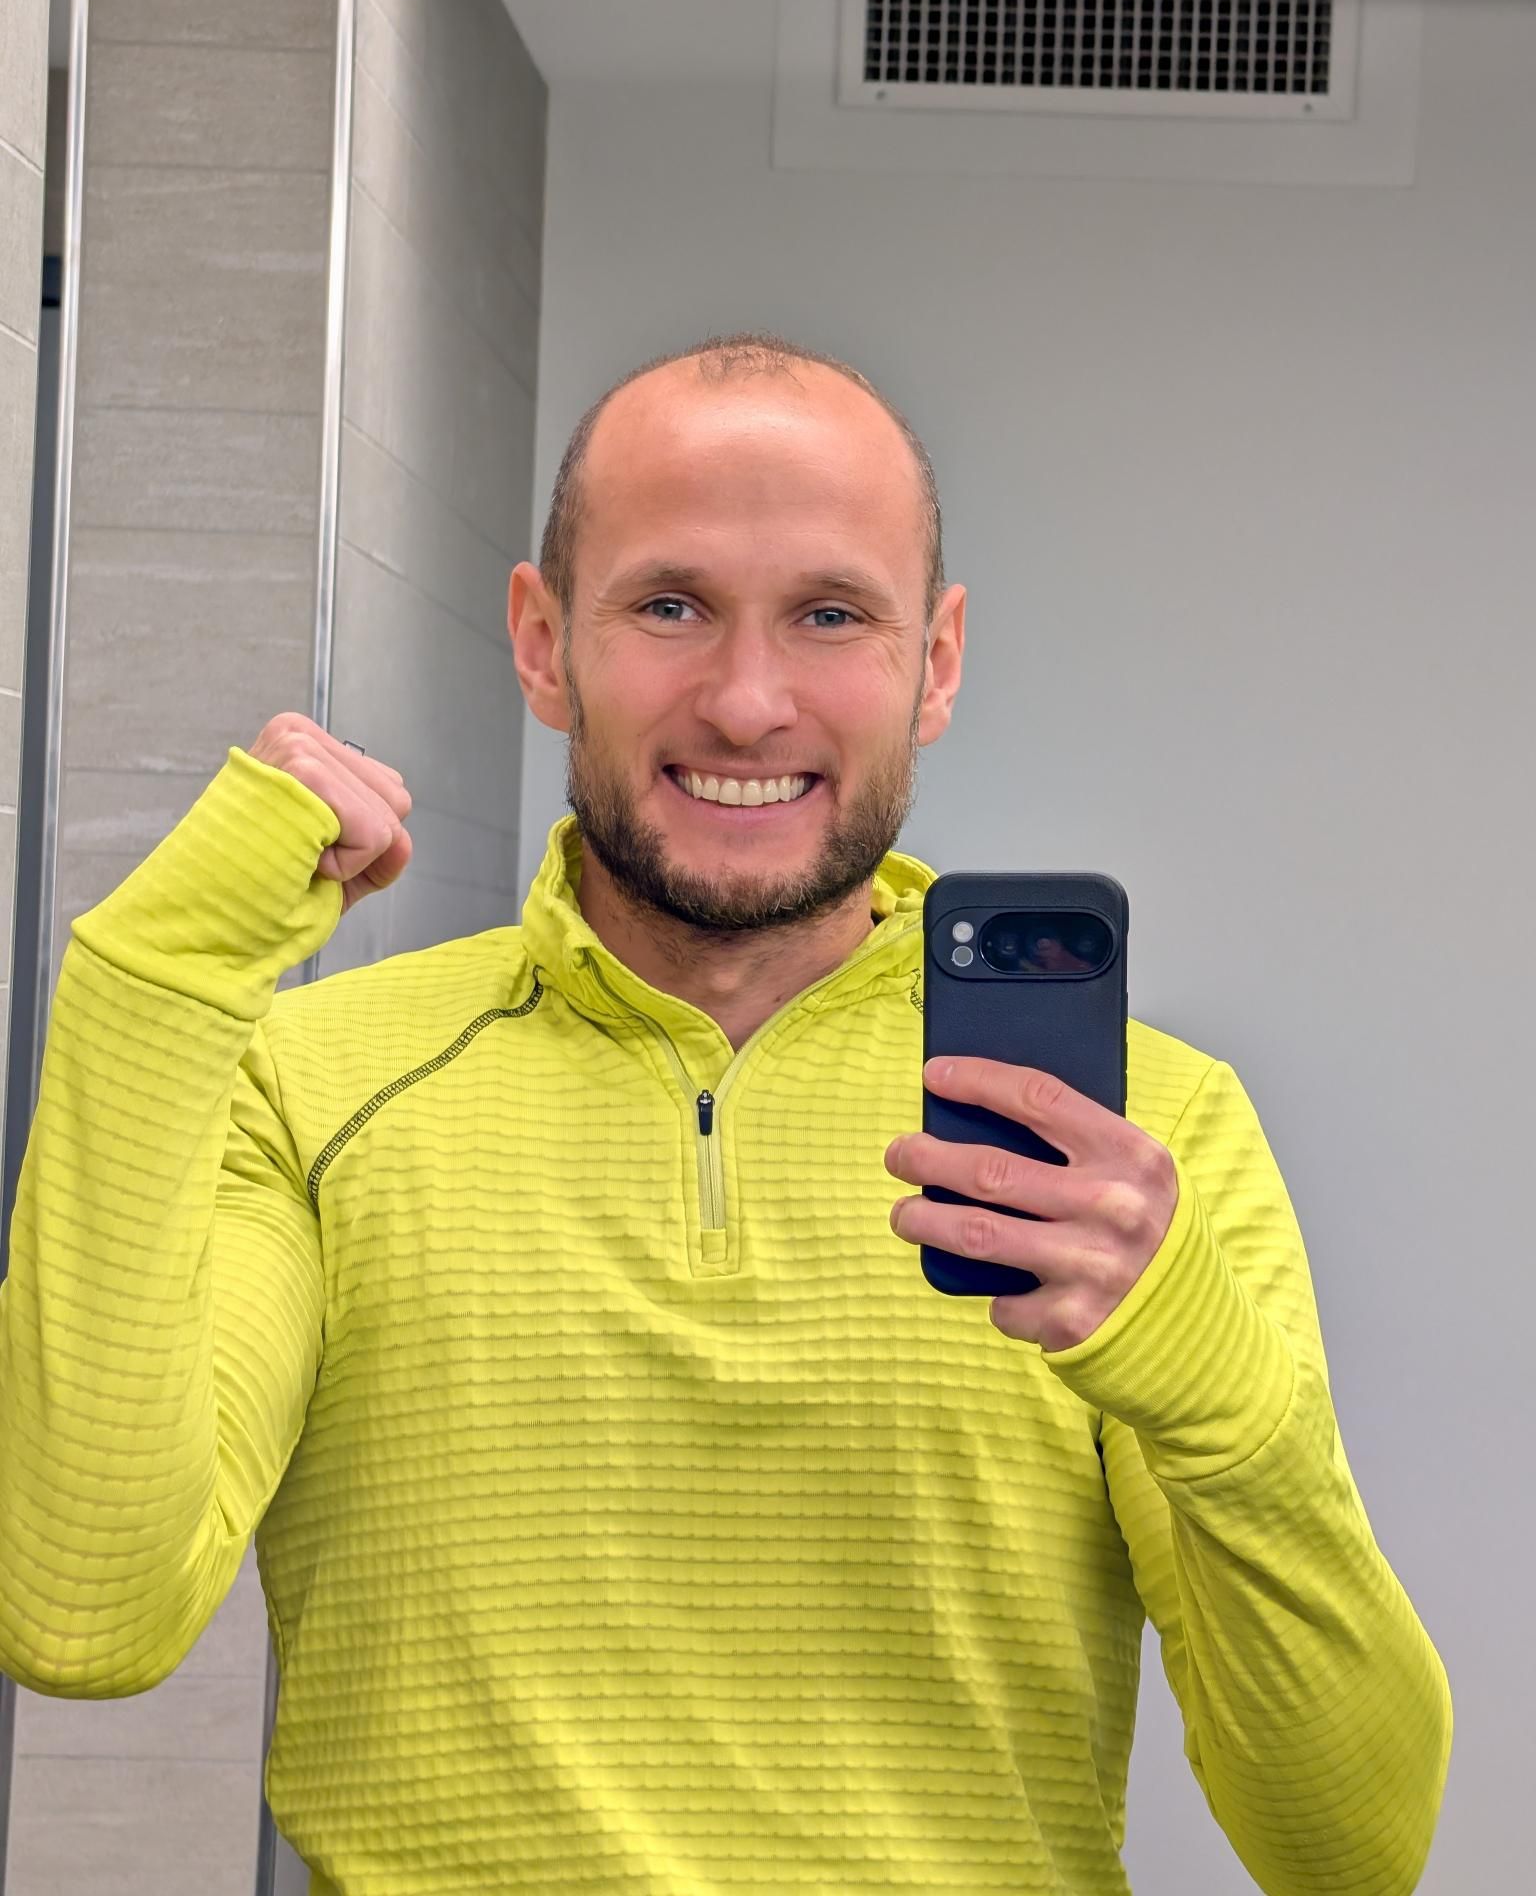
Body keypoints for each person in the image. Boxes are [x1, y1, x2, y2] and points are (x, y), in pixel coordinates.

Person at [0, 334, 1451, 1894]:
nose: (749, 703)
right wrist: (157, 975)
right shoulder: (315, 1084)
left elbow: (1349, 1853)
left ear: (935, 662)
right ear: (543, 642)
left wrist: (1216, 1392)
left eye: (831, 615)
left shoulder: (1143, 1144)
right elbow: (87, 1619)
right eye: (671, 606)